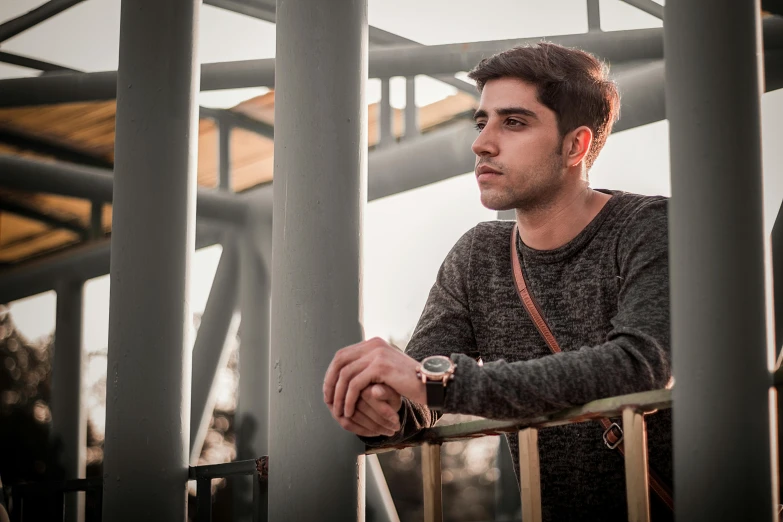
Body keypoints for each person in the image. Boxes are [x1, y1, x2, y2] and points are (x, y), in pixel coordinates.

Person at [323, 42, 672, 522]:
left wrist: (435, 382)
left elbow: (640, 366)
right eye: (481, 121)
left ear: (576, 145)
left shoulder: (651, 226)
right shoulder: (478, 255)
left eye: (513, 122)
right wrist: (382, 408)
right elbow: (424, 393)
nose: (482, 143)